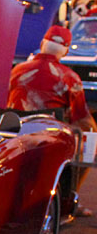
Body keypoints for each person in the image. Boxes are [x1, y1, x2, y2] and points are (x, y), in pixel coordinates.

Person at [8, 25, 96, 216]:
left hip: (15, 134)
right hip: (49, 138)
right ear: (65, 51)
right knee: (87, 140)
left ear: (42, 44)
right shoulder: (69, 78)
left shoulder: (17, 70)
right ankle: (68, 200)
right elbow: (82, 118)